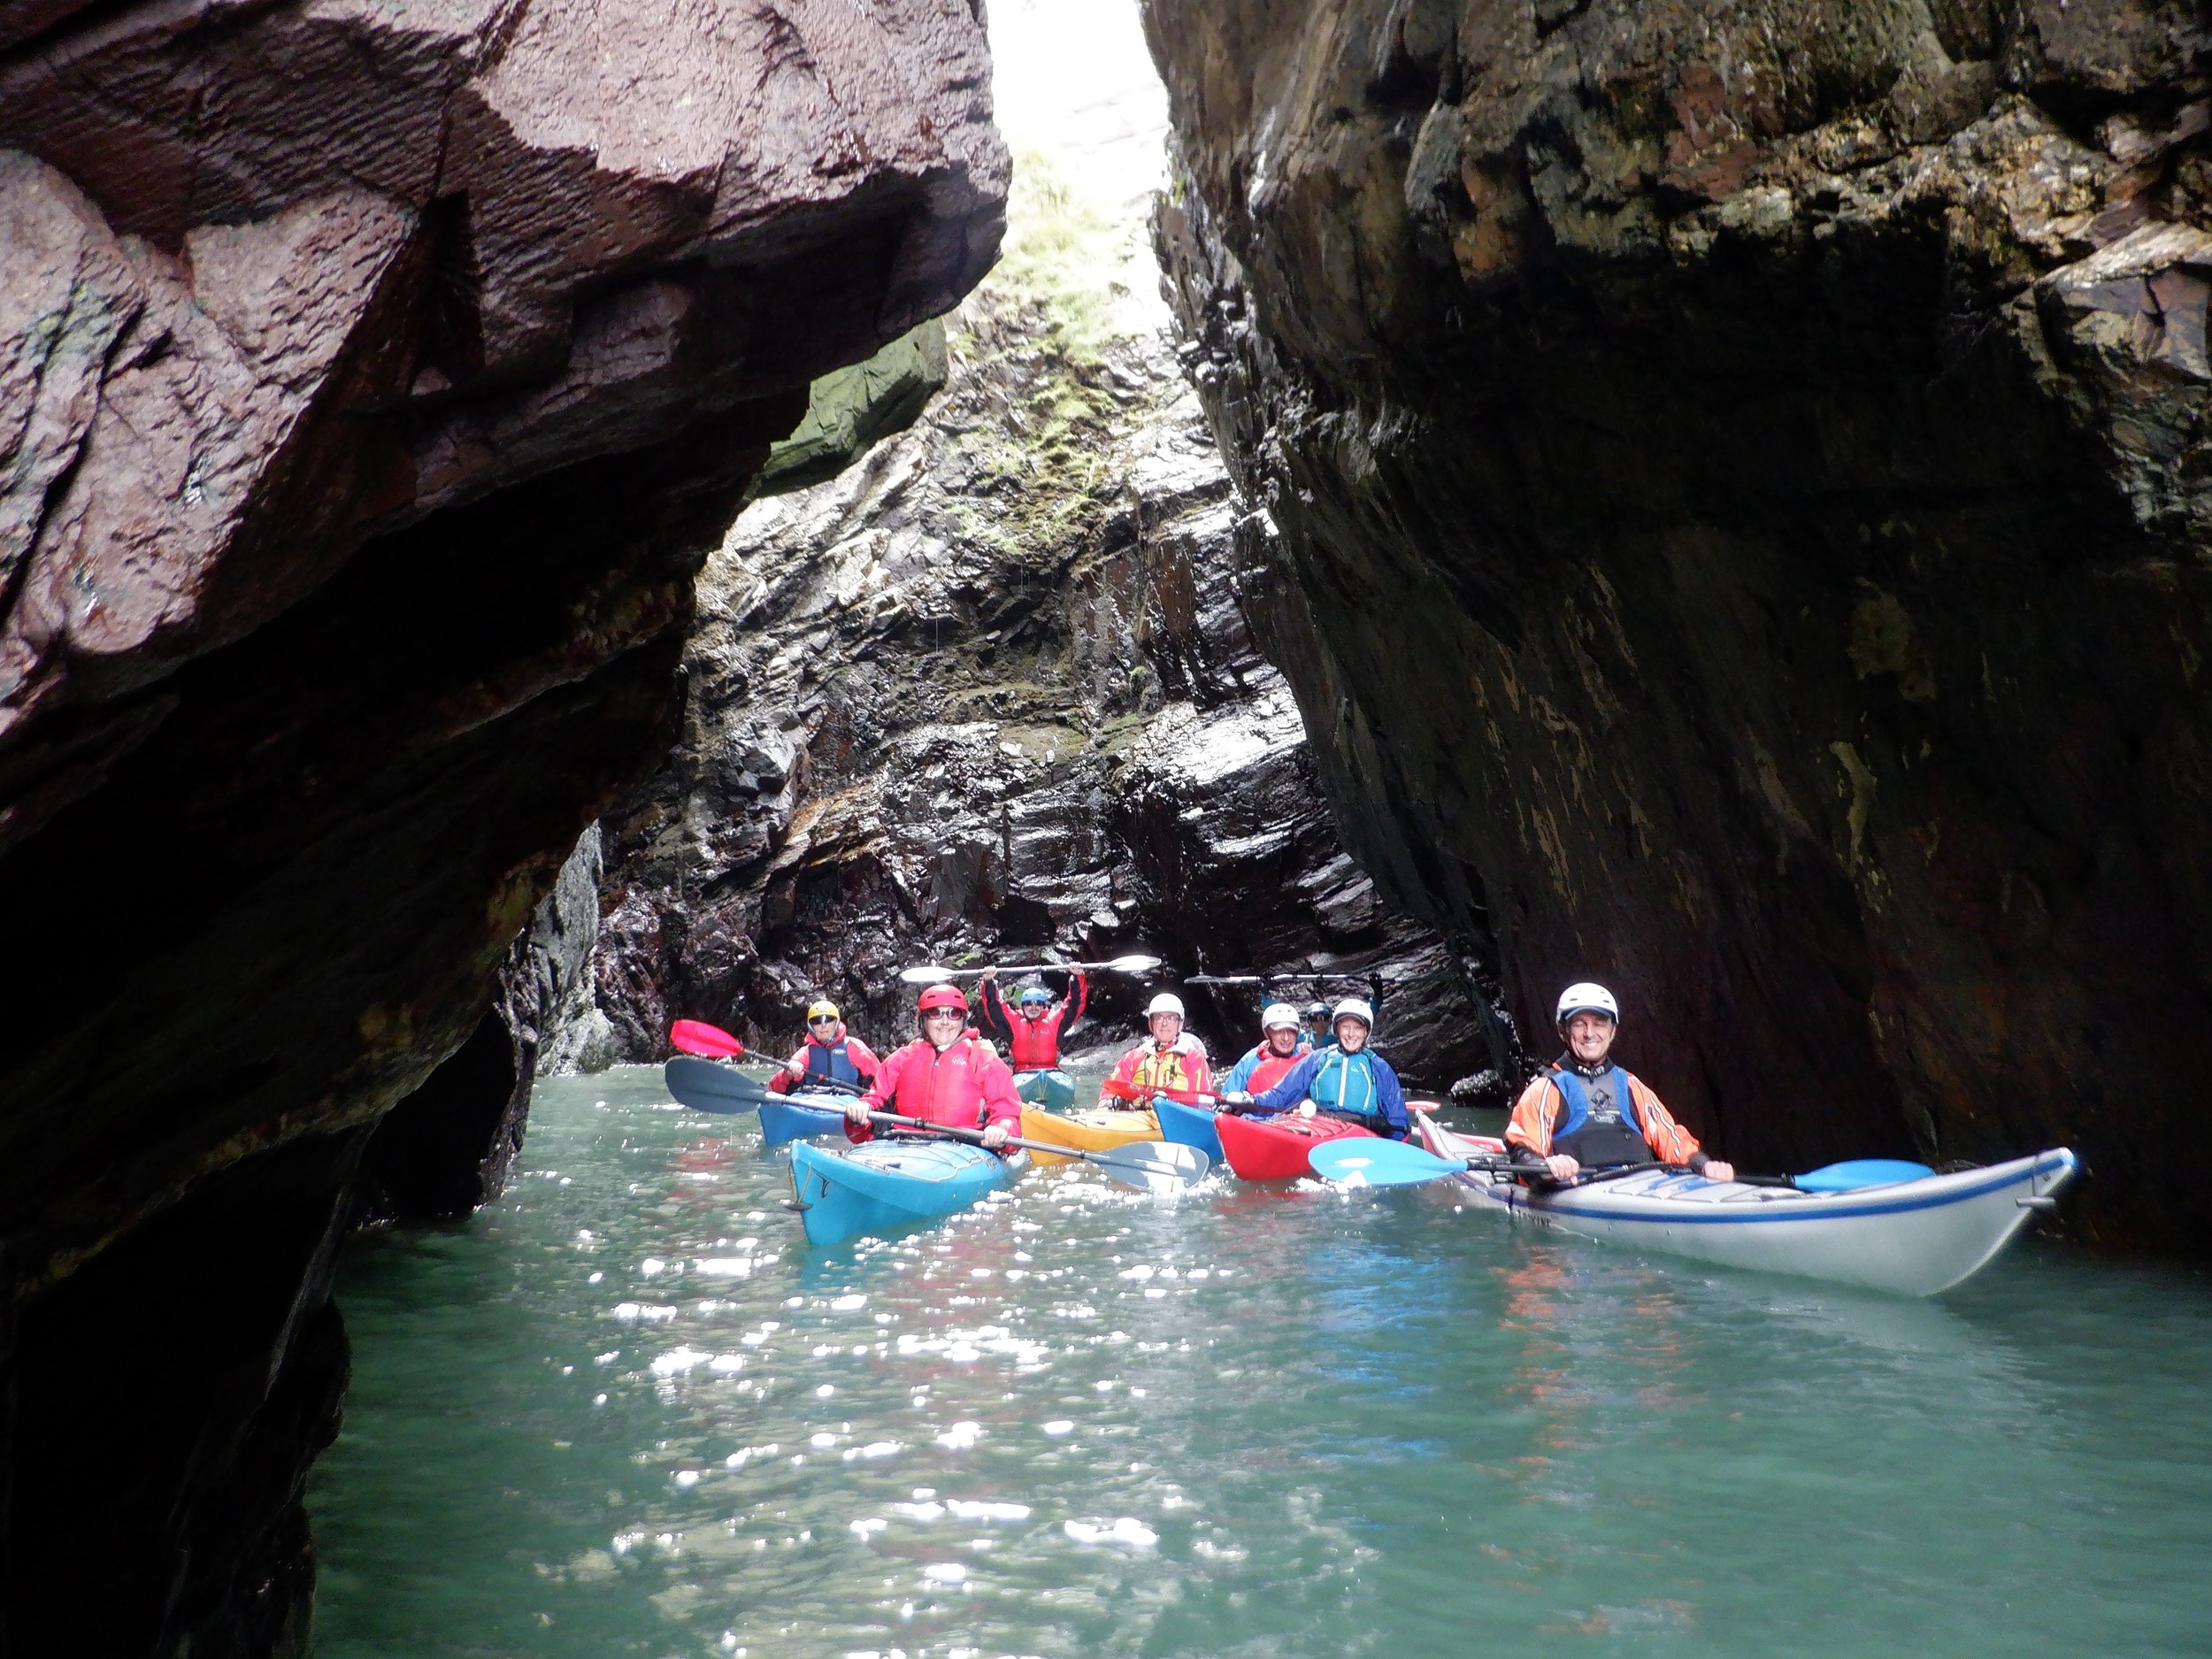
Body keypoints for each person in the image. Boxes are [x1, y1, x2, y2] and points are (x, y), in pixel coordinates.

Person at [1504, 982, 1734, 1182]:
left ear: (1612, 1031)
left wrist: (1704, 1164)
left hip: (1640, 1186)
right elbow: (1524, 1149)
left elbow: (1673, 1141)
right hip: (1574, 1189)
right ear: (1563, 1031)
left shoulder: (1632, 1086)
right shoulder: (1546, 1089)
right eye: (1579, 1024)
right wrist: (1547, 1168)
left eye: (1599, 1023)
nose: (1589, 1033)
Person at [843, 984, 1021, 1149]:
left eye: (954, 1013)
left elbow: (1007, 1115)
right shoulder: (901, 1059)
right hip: (903, 1144)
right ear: (923, 1021)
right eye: (935, 1013)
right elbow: (873, 1105)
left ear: (963, 1021)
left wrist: (1001, 1129)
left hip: (965, 1147)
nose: (945, 1022)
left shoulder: (985, 1062)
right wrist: (859, 1114)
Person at [1226, 996, 1408, 1137]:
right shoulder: (1317, 1059)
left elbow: (1398, 1122)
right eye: (1345, 1027)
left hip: (1362, 1134)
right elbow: (1281, 1095)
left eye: (1358, 1028)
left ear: (1366, 1032)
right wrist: (1250, 1101)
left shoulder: (1379, 1067)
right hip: (1321, 1130)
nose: (1351, 1034)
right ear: (1337, 1030)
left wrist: (1392, 1149)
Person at [1101, 992, 1213, 1104]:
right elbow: (1107, 1096)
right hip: (1137, 1118)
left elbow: (1203, 1105)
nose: (1164, 1023)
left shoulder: (1194, 1060)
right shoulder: (1131, 1059)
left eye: (1171, 1018)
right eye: (1158, 1018)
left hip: (1173, 1117)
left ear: (1180, 1024)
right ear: (1151, 1024)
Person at [977, 968, 1089, 1072]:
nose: (1033, 1008)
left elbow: (1073, 1005)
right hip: (1021, 1073)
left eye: (1038, 1004)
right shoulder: (1014, 1022)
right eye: (1029, 1004)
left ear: (1044, 1007)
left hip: (1050, 1072)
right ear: (1023, 1006)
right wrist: (988, 981)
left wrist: (1077, 976)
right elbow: (994, 1007)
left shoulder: (1053, 1022)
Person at [769, 998, 880, 1095]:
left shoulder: (854, 1047)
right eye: (817, 1021)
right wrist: (787, 1073)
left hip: (848, 1102)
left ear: (836, 1022)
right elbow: (773, 1088)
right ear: (811, 1026)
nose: (823, 1025)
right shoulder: (805, 1054)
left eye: (828, 1020)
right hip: (813, 1100)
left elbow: (881, 1078)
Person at [1223, 1002, 1311, 1094]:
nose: (1286, 1038)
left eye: (1291, 1031)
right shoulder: (1250, 1061)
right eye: (1278, 1031)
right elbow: (1225, 1097)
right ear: (1266, 1033)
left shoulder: (1308, 1058)